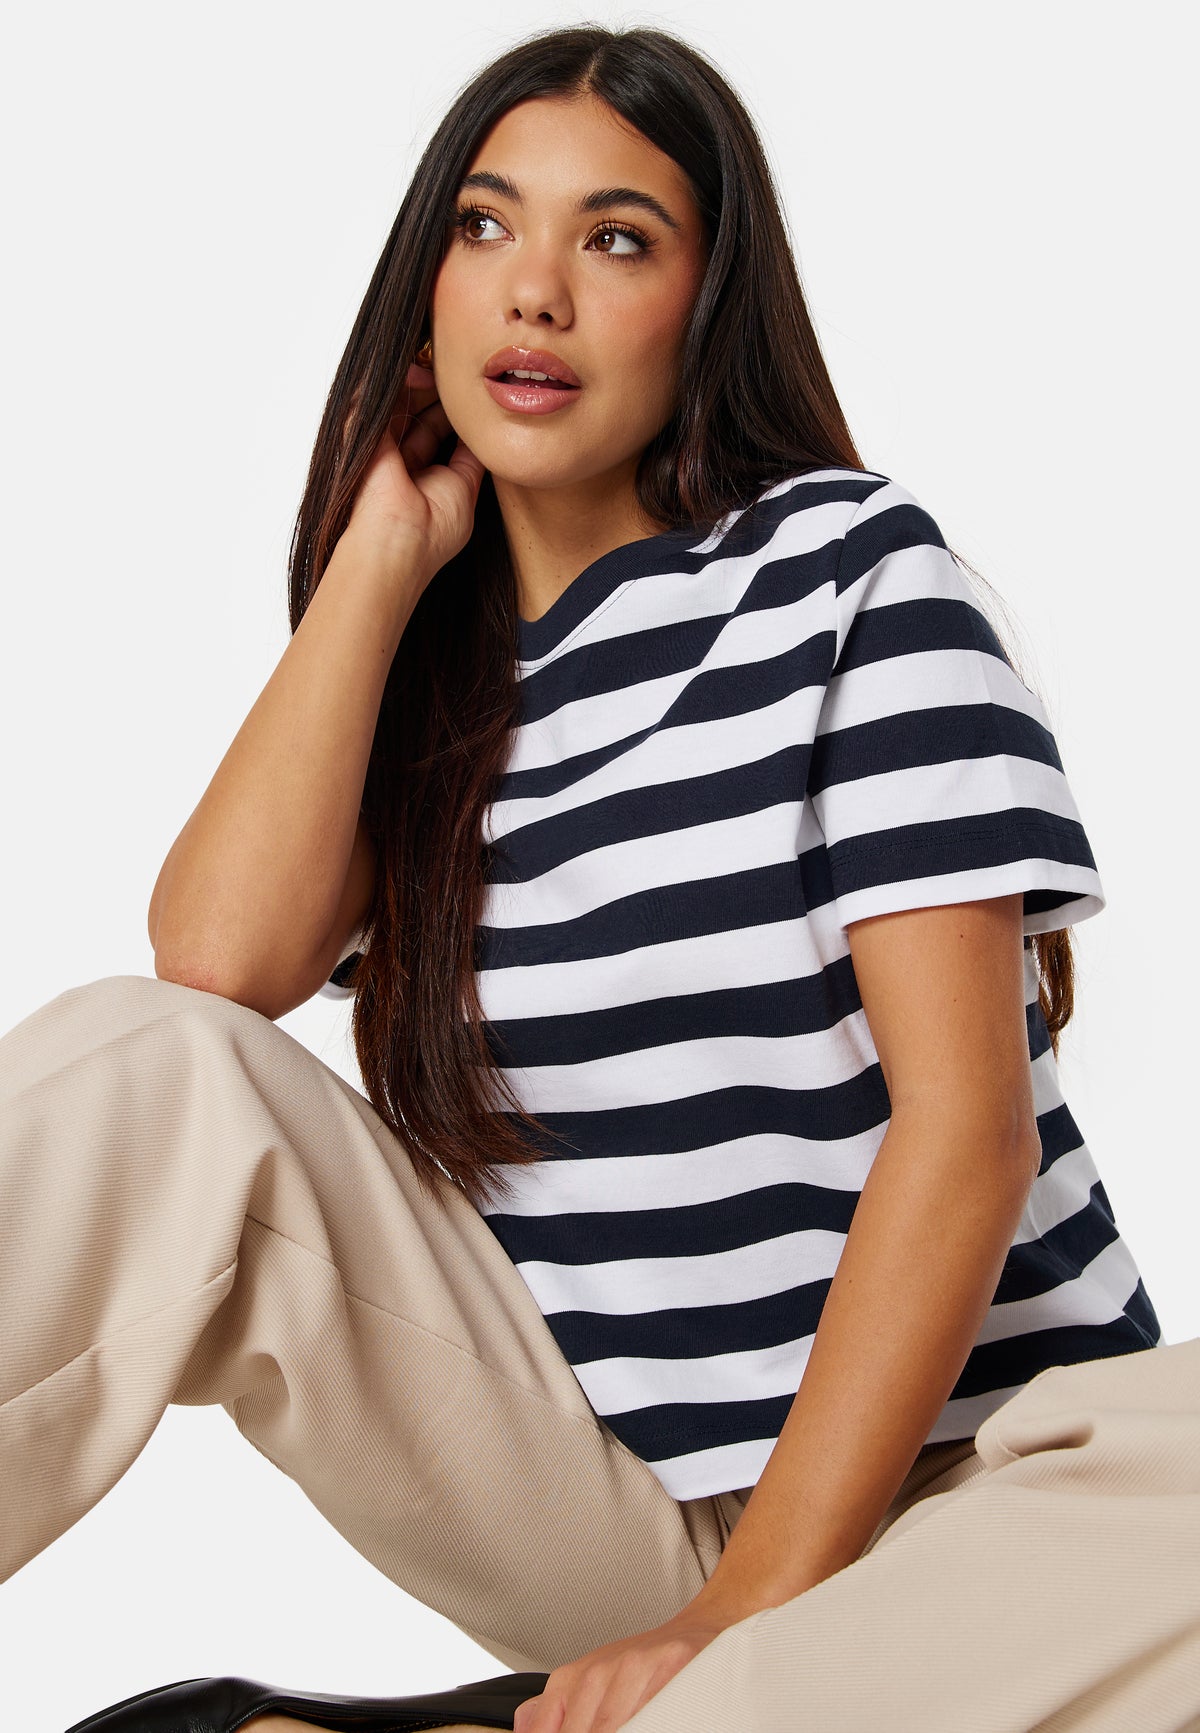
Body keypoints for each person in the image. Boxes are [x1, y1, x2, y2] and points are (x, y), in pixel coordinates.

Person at [1, 22, 1195, 1733]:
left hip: (983, 1502)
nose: (534, 291)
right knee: (153, 1070)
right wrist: (382, 555)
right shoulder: (427, 698)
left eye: (616, 239)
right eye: (485, 227)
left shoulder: (852, 579)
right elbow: (213, 971)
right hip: (632, 1518)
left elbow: (966, 1135)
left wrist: (741, 1617)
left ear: (708, 305)